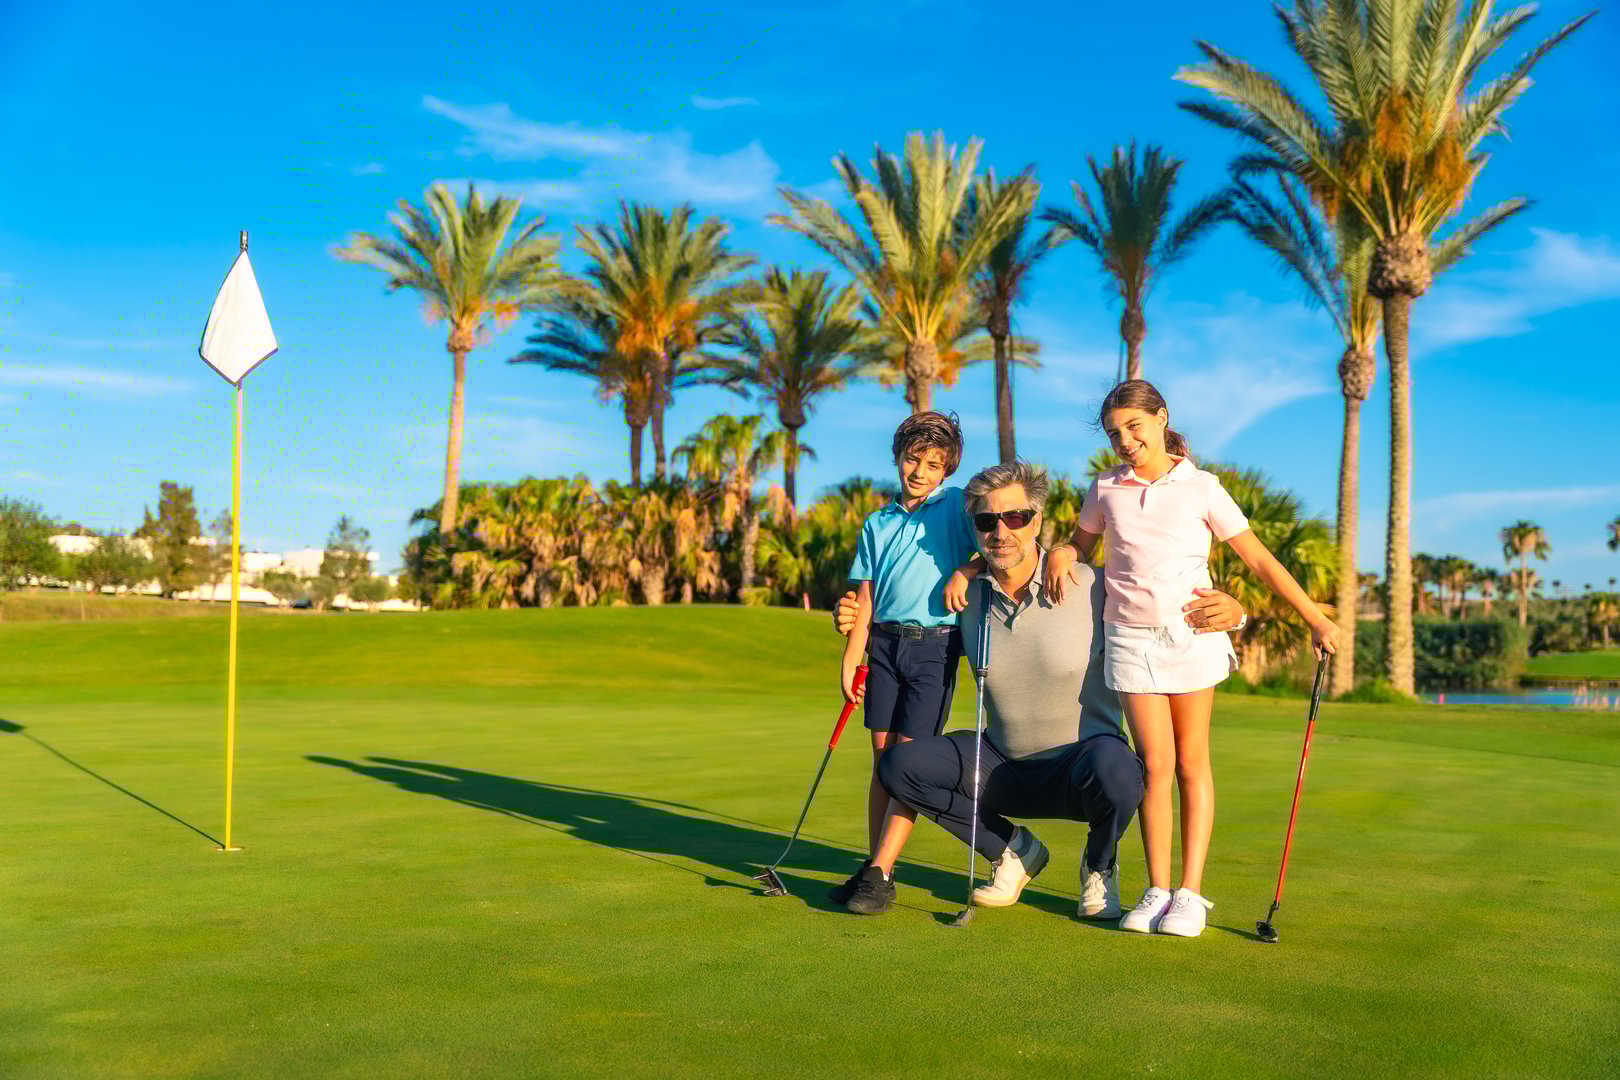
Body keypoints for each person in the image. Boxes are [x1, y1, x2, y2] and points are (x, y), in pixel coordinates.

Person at [960, 380, 1337, 938]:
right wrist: (1061, 551)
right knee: (1154, 767)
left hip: (1189, 636)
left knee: (1190, 764)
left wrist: (1314, 617)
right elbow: (1078, 547)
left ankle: (1189, 894)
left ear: (1161, 419)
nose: (1125, 440)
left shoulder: (1203, 487)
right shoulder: (1105, 488)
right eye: (1115, 433)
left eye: (1134, 426)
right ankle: (1157, 889)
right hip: (1130, 641)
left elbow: (1258, 560)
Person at [832, 460, 1249, 918]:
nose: (1001, 531)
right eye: (987, 521)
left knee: (1123, 768)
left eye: (1015, 517)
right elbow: (898, 614)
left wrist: (1236, 612)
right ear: (974, 529)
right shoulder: (962, 598)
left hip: (1081, 769)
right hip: (1000, 768)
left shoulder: (1092, 585)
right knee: (898, 765)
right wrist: (852, 615)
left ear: (1037, 521)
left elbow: (1163, 601)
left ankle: (1098, 867)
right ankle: (1011, 851)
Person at [831, 411, 980, 912]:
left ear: (947, 470)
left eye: (933, 464)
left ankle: (880, 872)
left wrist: (964, 569)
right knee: (882, 763)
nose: (920, 471)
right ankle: (876, 865)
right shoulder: (878, 522)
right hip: (884, 646)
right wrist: (852, 656)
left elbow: (996, 548)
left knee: (907, 762)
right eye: (913, 459)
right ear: (898, 457)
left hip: (935, 647)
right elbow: (866, 597)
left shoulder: (959, 506)